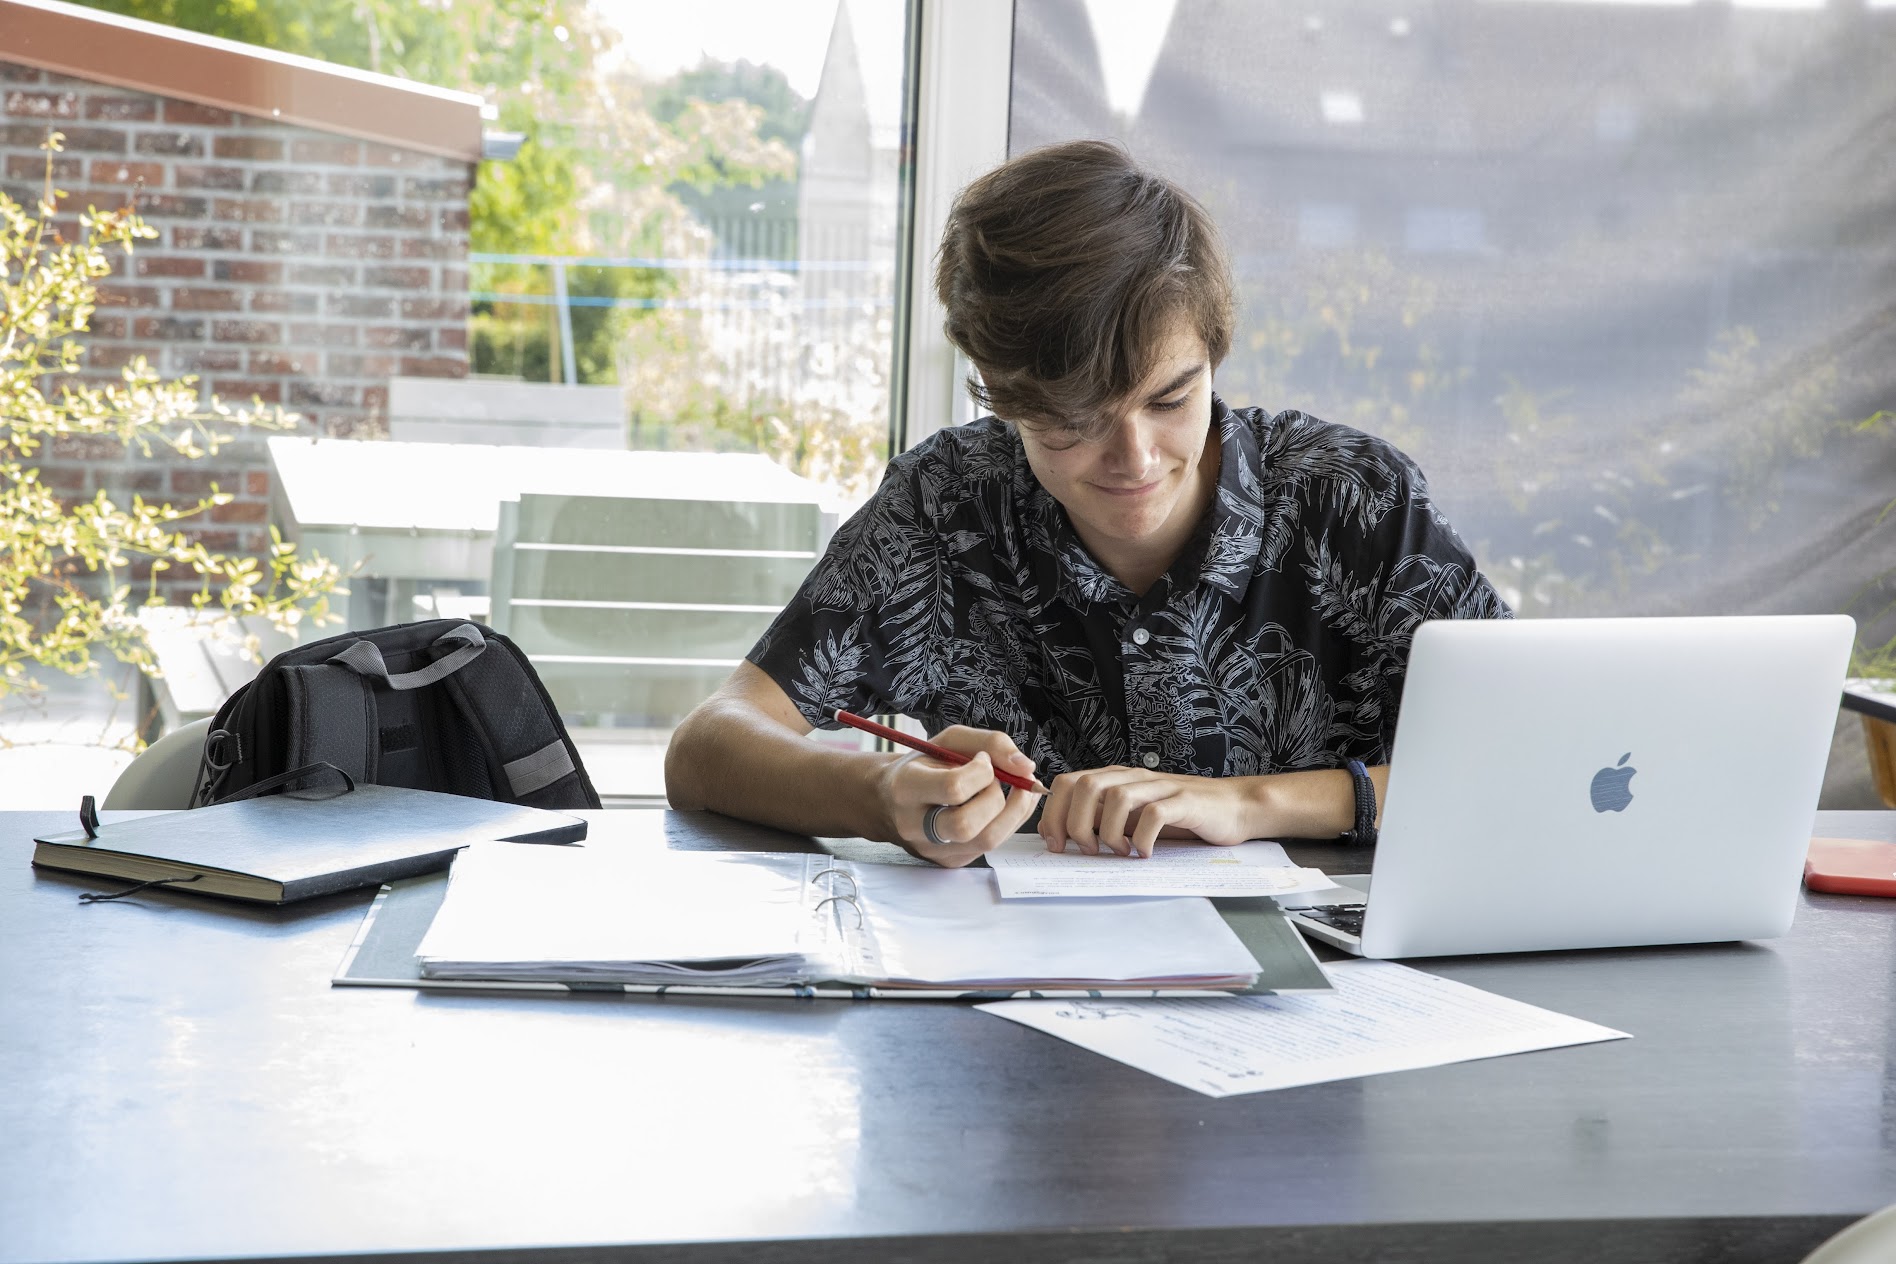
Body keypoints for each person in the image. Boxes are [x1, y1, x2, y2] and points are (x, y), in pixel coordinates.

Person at [665, 139, 1510, 866]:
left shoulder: (1349, 497)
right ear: (1000, 395)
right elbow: (710, 746)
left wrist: (1249, 804)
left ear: (1214, 352)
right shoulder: (945, 507)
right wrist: (885, 790)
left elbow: (1535, 752)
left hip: (1333, 998)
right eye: (1074, 423)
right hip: (1009, 1003)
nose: (1135, 458)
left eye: (1173, 400)